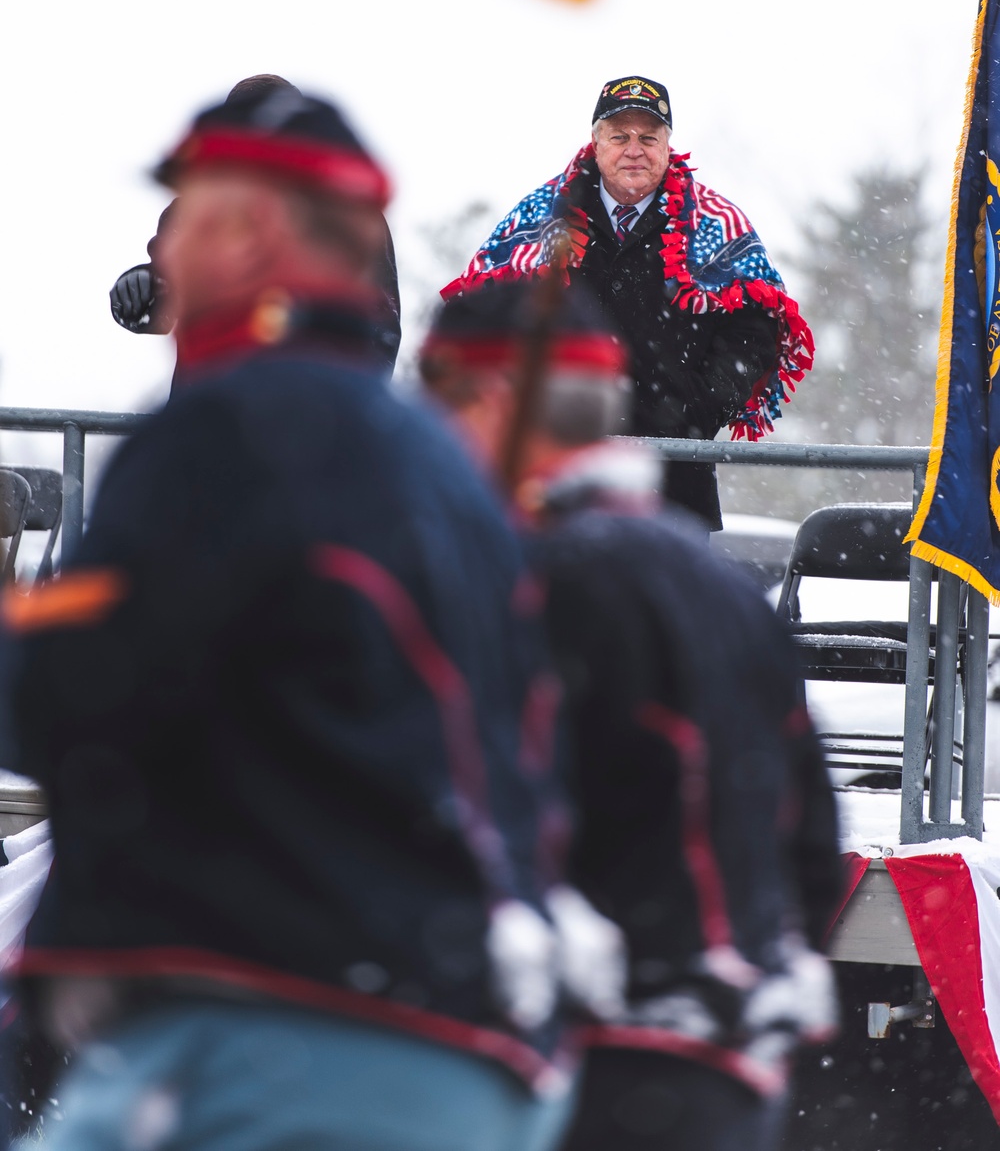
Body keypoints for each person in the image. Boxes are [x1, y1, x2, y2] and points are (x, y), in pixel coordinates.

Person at [0, 85, 577, 1151]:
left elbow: (68, 691)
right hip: (469, 1043)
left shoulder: (225, 435)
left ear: (252, 230)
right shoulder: (443, 477)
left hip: (288, 1037)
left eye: (189, 214)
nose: (165, 256)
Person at [419, 282, 843, 1151]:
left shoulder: (523, 581)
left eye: (438, 399)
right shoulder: (727, 587)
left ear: (496, 399)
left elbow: (469, 823)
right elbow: (811, 846)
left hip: (581, 1067)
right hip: (726, 1068)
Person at [443, 75, 814, 528]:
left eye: (648, 137)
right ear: (596, 143)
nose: (634, 149)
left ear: (668, 145)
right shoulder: (540, 216)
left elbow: (757, 332)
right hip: (550, 477)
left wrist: (694, 411)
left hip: (674, 482)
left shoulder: (718, 223)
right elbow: (483, 313)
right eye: (619, 136)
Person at [110, 74, 403, 370]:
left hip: (320, 395)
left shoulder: (344, 213)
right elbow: (167, 305)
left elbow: (380, 322)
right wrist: (142, 289)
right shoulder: (186, 214)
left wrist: (352, 399)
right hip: (213, 396)